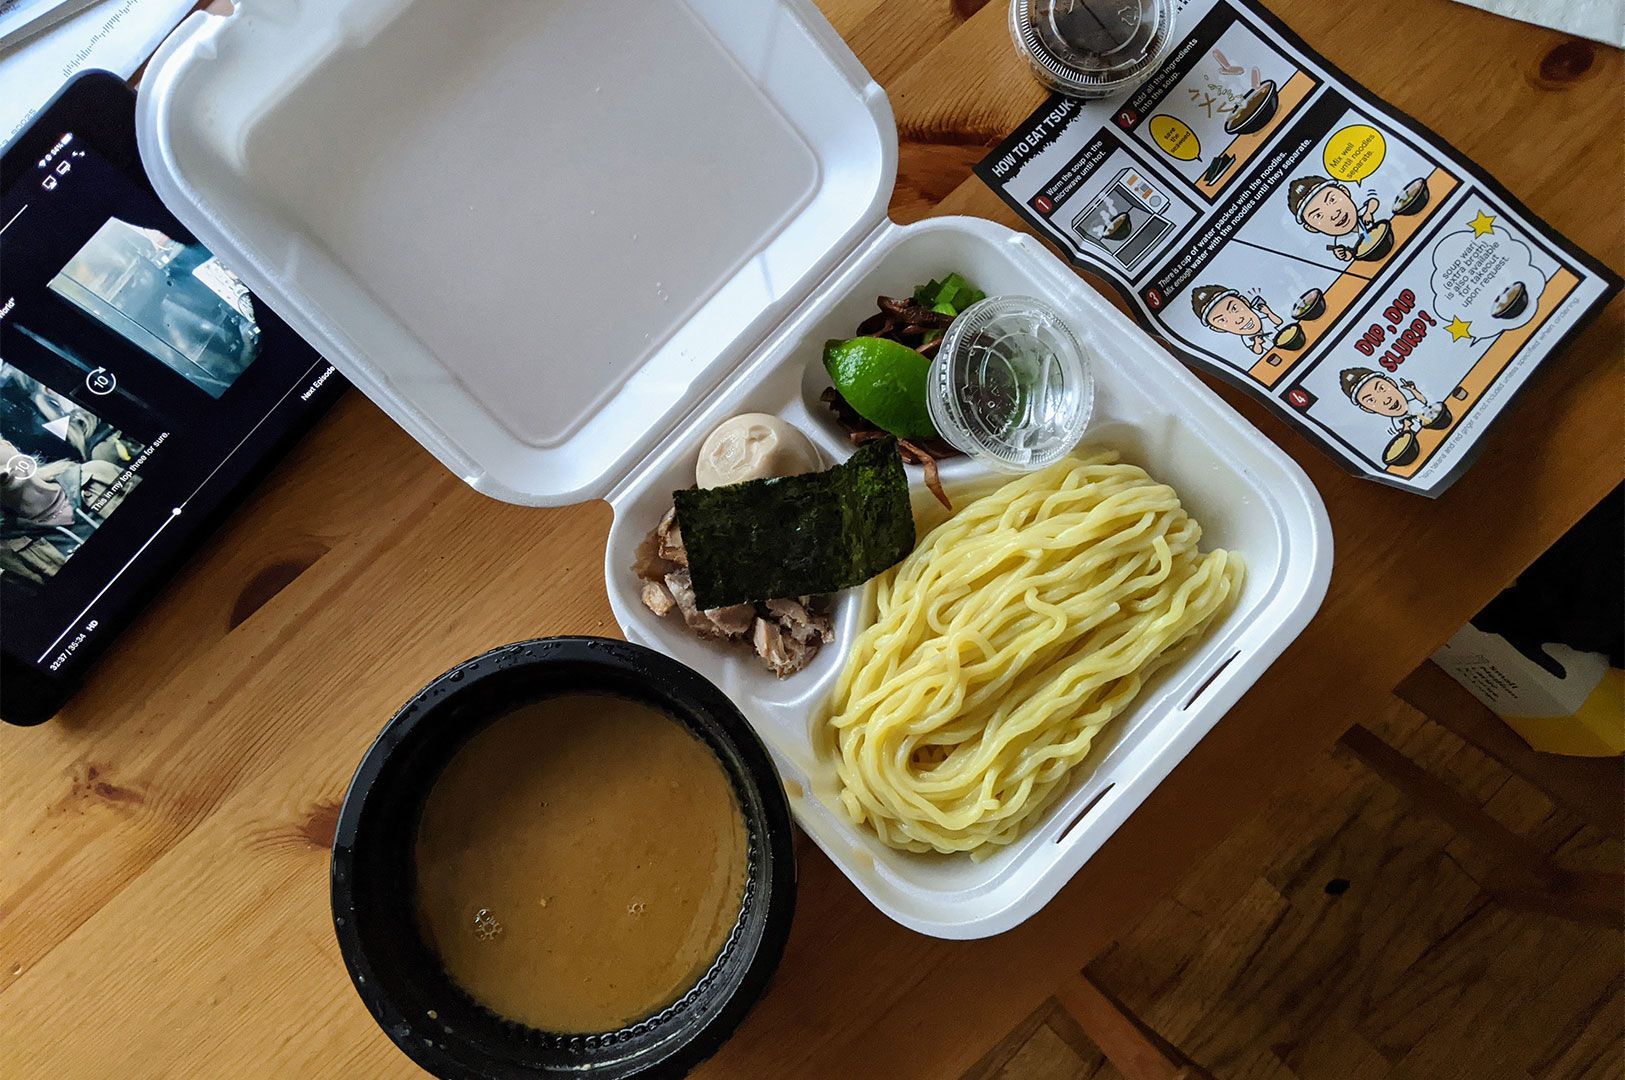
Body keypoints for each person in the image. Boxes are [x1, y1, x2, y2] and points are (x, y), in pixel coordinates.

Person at [1287, 174, 1380, 261]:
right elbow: (1351, 256)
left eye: (1332, 200)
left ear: (1344, 191)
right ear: (1311, 228)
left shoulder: (1362, 214)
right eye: (1318, 215)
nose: (1334, 214)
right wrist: (1343, 255)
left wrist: (1369, 212)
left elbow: (1373, 200)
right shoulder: (1342, 241)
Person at [1339, 367, 1443, 435]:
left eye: (1382, 388)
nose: (1386, 400)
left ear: (1391, 382)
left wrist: (1413, 390)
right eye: (1371, 400)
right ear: (1367, 409)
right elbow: (1406, 438)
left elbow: (1423, 401)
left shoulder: (1413, 403)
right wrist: (1406, 427)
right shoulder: (1397, 423)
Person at [1190, 284, 1281, 355]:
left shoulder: (1263, 317)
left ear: (1245, 301)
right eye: (1222, 320)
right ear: (1218, 329)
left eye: (1234, 308)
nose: (1238, 320)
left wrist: (1269, 312)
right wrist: (1257, 343)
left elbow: (1278, 322)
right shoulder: (1247, 338)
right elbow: (1257, 351)